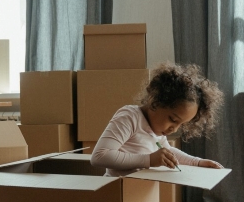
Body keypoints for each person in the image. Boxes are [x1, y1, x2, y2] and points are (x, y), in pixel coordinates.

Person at [90, 62, 225, 176]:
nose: (174, 129)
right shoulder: (130, 117)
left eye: (181, 124)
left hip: (140, 194)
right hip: (116, 193)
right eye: (173, 119)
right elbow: (99, 156)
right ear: (155, 101)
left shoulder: (157, 131)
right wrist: (148, 160)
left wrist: (197, 162)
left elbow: (169, 153)